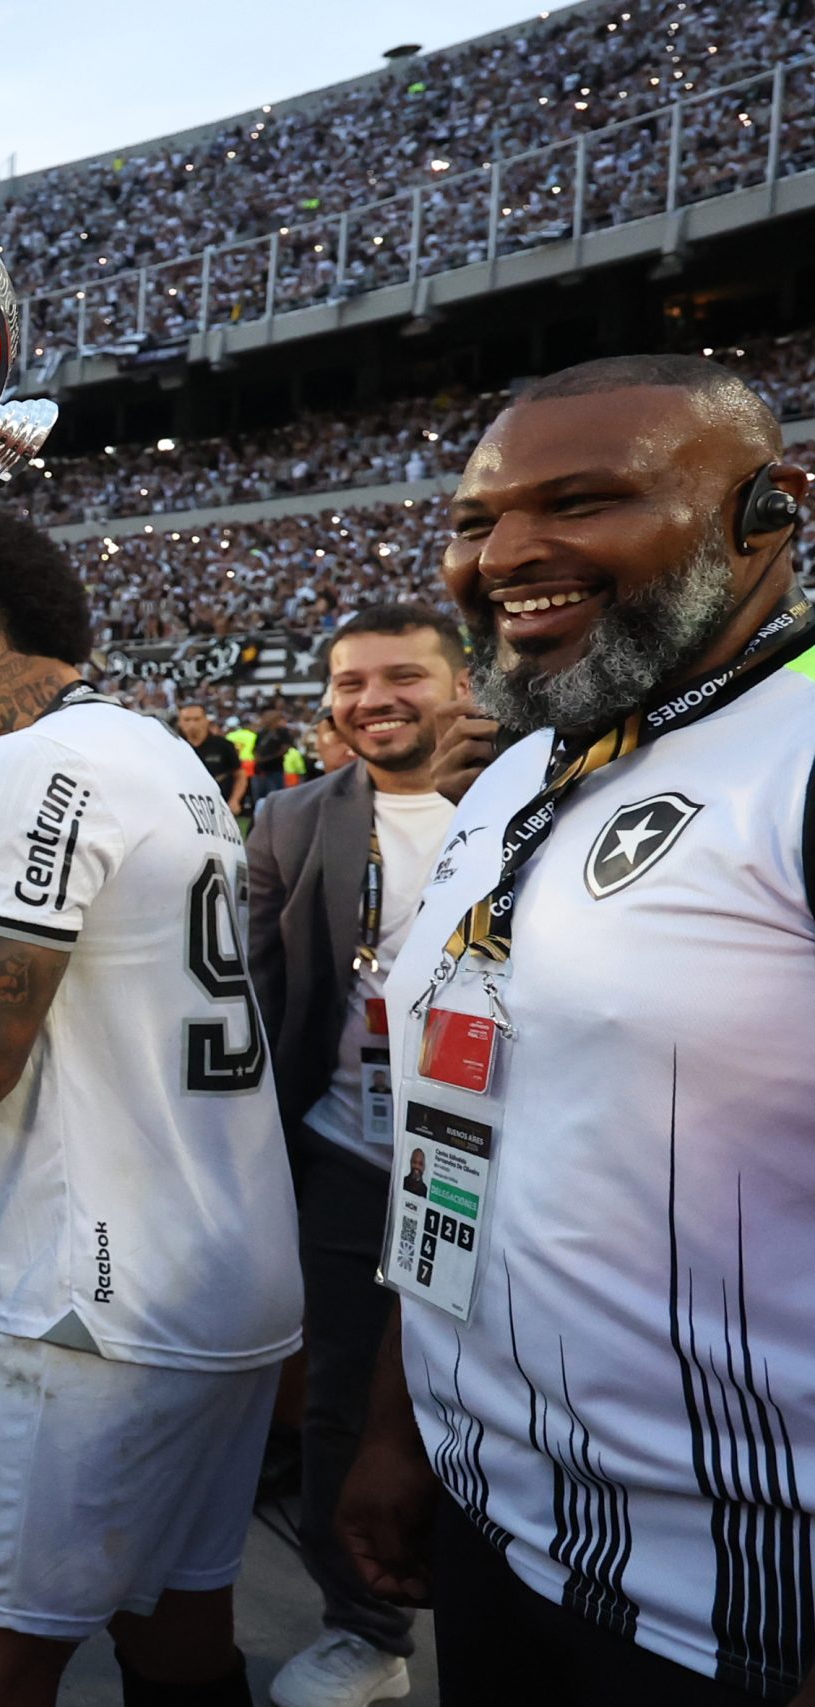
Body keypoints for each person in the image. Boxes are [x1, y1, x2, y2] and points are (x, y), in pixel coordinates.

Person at [339, 354, 815, 1706]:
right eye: (476, 520)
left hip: (738, 1617)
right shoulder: (527, 777)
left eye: (584, 501)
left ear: (768, 511)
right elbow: (460, 1120)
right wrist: (406, 1421)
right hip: (501, 1534)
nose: (506, 557)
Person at [0, 511, 301, 1707]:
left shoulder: (24, 765)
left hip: (99, 1309)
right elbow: (107, 975)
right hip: (229, 1279)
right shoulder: (155, 751)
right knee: (178, 1637)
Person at [243, 603, 467, 1707]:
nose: (371, 699)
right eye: (348, 681)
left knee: (482, 1400)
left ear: (461, 688)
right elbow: (249, 992)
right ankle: (365, 1631)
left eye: (401, 677)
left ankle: (493, 1618)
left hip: (494, 1172)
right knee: (337, 1399)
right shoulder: (290, 821)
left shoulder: (531, 801)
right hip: (346, 1155)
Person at [178, 701, 247, 816]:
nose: (192, 724)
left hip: (220, 807)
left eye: (196, 719)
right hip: (187, 808)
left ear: (206, 720)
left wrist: (235, 799)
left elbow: (240, 775)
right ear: (180, 722)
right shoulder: (175, 746)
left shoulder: (223, 745)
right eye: (187, 720)